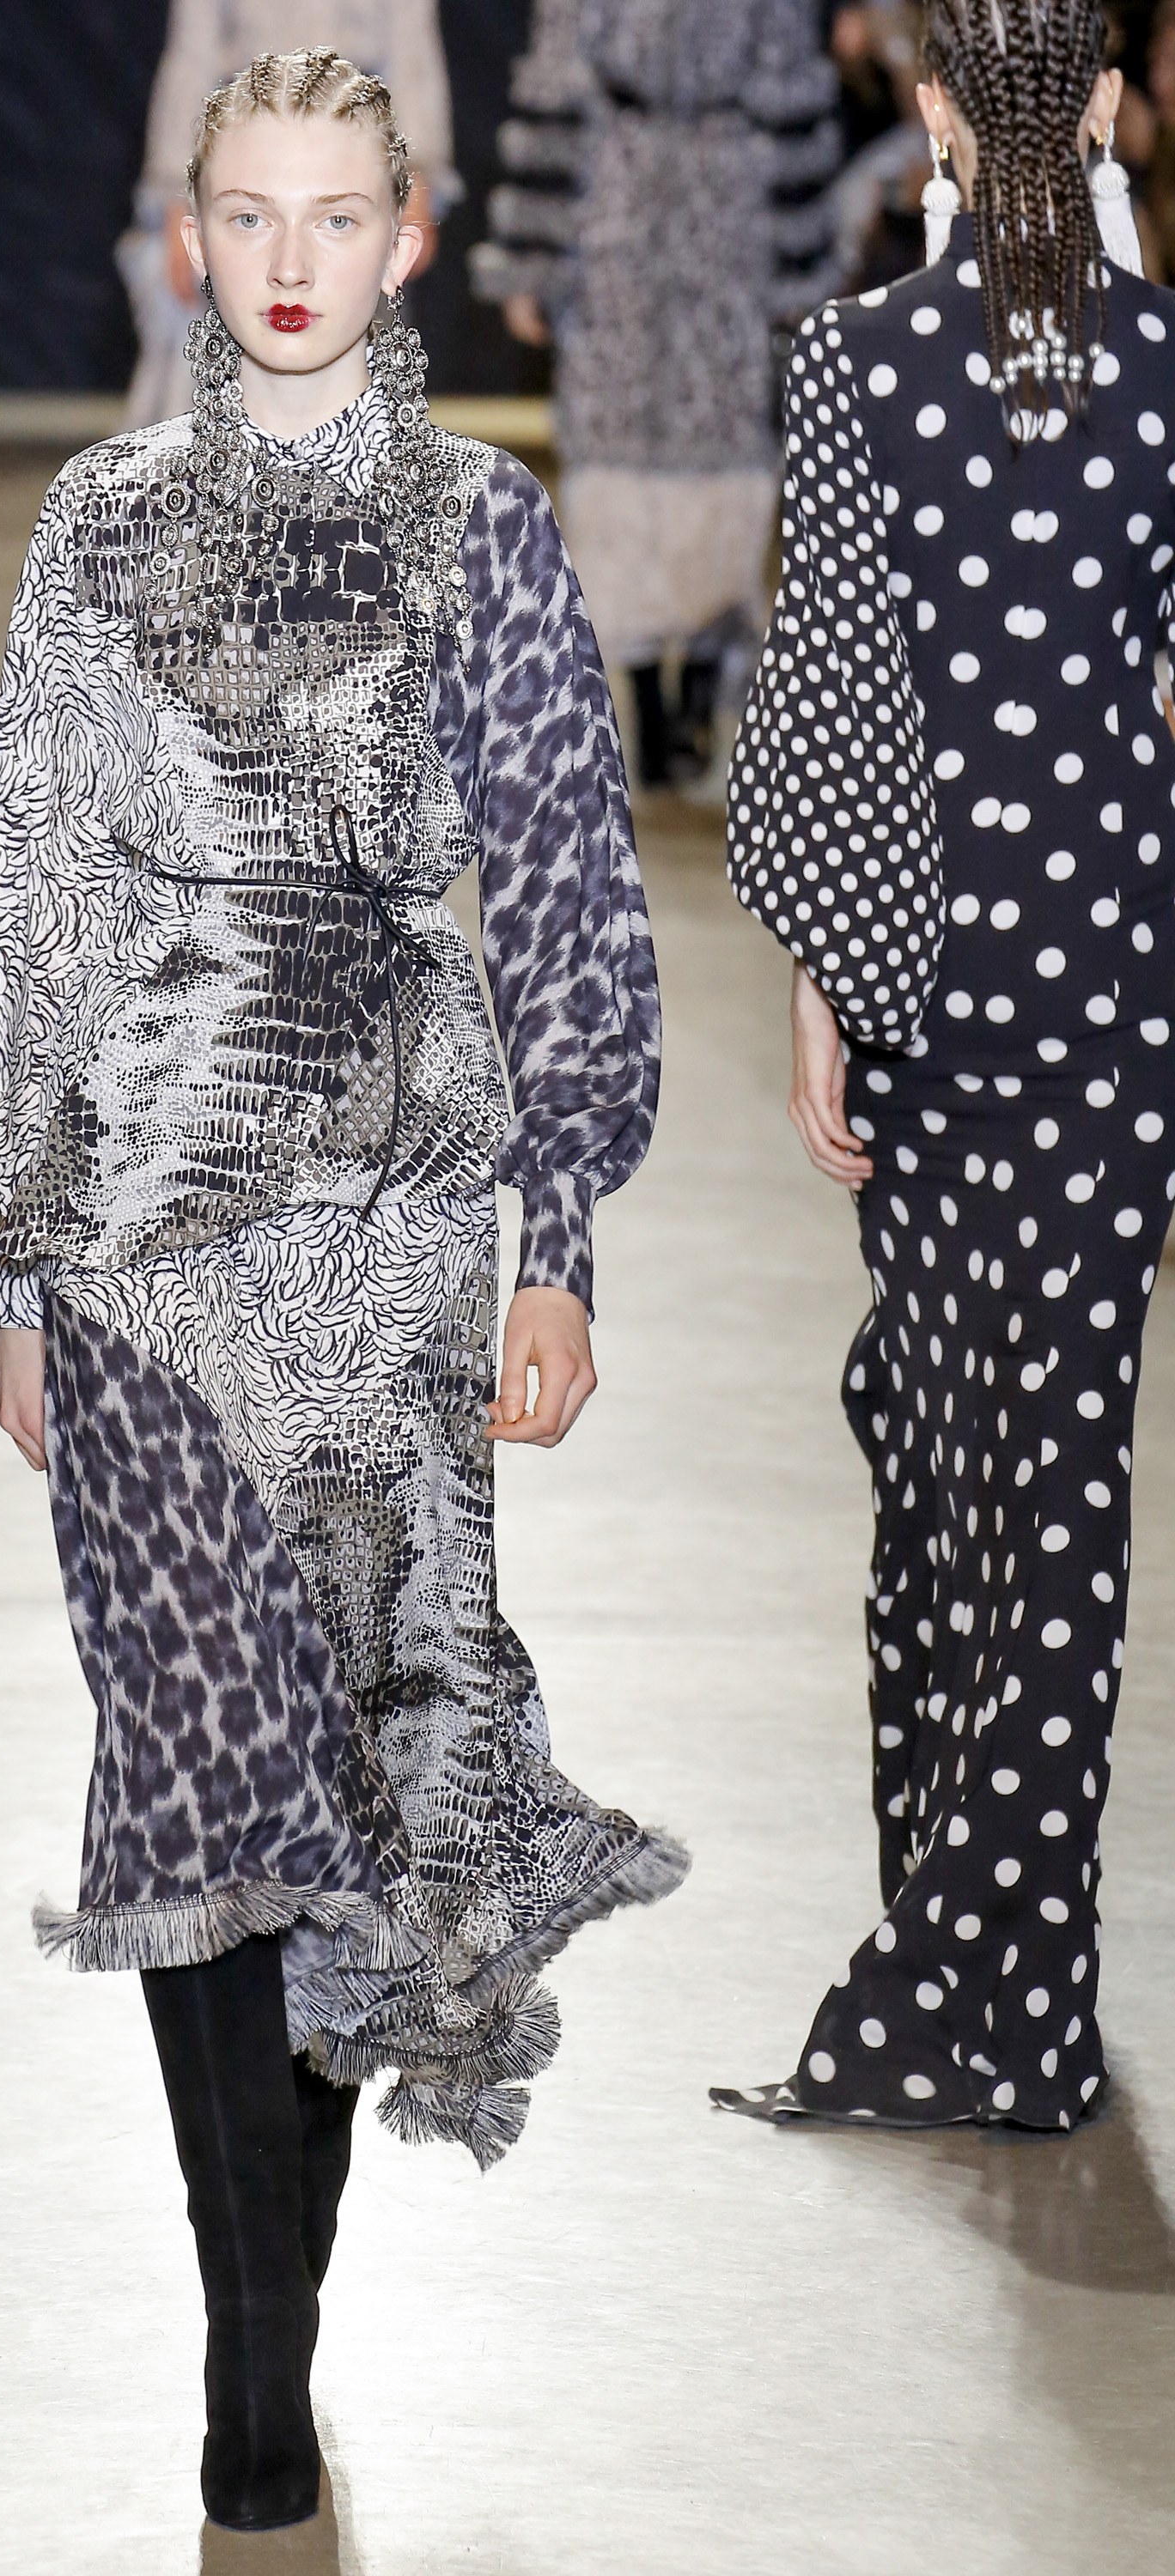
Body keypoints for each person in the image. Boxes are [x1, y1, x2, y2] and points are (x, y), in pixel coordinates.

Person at [0, 46, 685, 2535]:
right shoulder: (92, 523)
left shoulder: (485, 532)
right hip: (139, 1255)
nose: (288, 259)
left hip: (390, 1251)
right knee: (192, 1776)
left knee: (352, 1795)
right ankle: (247, 2356)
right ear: (191, 238)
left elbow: (571, 892)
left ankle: (274, 2303)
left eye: (334, 215)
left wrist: (559, 1241)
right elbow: (40, 892)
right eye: (246, 213)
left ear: (408, 240)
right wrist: (15, 1257)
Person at [717, 0, 1175, 2132]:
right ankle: (1016, 1991)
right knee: (1063, 1473)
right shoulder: (1165, 372)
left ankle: (955, 1942)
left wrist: (821, 986)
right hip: (1113, 975)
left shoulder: (856, 363)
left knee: (946, 1450)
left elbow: (824, 709)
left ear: (924, 114)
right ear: (1110, 106)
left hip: (928, 972)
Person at [473, 0, 843, 790]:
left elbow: (792, 89)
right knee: (619, 459)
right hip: (619, 210)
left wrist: (801, 267)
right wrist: (532, 257)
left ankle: (703, 676)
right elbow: (556, 88)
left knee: (726, 457)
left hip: (725, 216)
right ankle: (644, 692)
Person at [118, 0, 456, 430]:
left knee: (358, 326)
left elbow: (411, 54)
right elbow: (191, 58)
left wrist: (419, 179)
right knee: (201, 320)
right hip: (244, 154)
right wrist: (175, 197)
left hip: (352, 154)